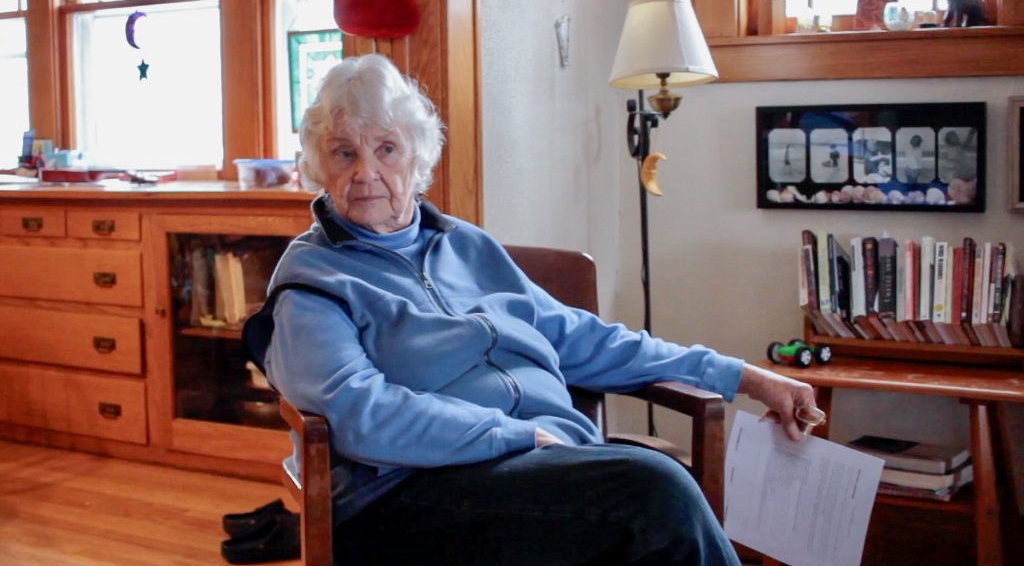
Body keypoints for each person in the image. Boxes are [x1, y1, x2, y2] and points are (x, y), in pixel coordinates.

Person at [257, 54, 818, 566]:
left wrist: (744, 375)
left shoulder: (467, 246)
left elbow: (583, 339)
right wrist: (509, 434)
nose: (365, 172)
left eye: (386, 148)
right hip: (410, 494)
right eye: (344, 152)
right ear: (318, 166)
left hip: (541, 467)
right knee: (653, 490)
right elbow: (360, 411)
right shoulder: (314, 280)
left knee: (649, 501)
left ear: (419, 157)